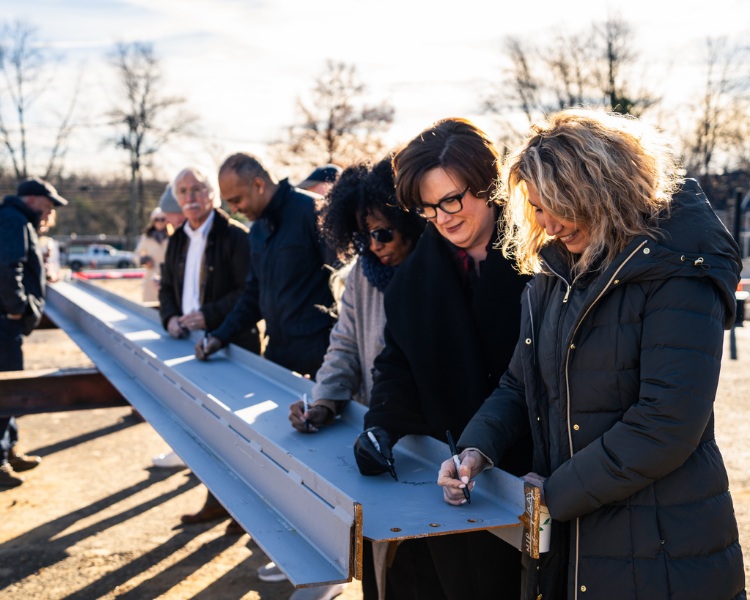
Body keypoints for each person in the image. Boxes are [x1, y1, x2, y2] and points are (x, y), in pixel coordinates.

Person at [439, 109, 746, 600]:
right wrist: (475, 449)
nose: (548, 224)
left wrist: (554, 495)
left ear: (604, 190)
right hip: (573, 542)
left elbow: (667, 422)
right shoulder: (552, 276)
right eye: (537, 208)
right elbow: (519, 385)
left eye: (558, 205)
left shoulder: (678, 272)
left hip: (663, 548)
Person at [354, 118, 531, 600]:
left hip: (529, 478)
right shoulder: (412, 280)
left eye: (452, 200)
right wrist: (382, 426)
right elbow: (397, 364)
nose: (443, 217)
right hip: (451, 479)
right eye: (428, 208)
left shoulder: (543, 261)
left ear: (489, 185)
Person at [283, 158, 426, 600]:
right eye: (362, 237)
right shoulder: (364, 273)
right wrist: (323, 401)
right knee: (378, 573)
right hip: (376, 436)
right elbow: (344, 345)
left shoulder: (434, 272)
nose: (374, 245)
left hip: (426, 445)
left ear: (410, 221)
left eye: (382, 232)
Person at [159, 166, 260, 529]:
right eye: (183, 190)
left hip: (230, 348)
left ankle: (244, 508)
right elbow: (166, 290)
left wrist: (207, 316)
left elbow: (249, 293)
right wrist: (169, 318)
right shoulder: (176, 239)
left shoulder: (236, 237)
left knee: (235, 434)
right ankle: (220, 501)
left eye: (197, 189)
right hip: (188, 347)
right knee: (202, 432)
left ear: (212, 194)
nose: (190, 197)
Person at [196, 153, 335, 378]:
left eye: (236, 200)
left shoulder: (315, 212)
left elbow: (344, 291)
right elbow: (253, 296)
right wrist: (219, 336)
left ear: (258, 185)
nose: (233, 210)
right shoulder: (258, 230)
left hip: (319, 363)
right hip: (276, 360)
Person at [0, 177, 67, 487]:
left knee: (9, 389)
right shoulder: (14, 220)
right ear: (32, 199)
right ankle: (0, 463)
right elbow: (7, 266)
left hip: (7, 321)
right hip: (4, 322)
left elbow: (22, 265)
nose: (50, 210)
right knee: (6, 390)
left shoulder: (16, 220)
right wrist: (17, 307)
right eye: (48, 203)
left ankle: (8, 448)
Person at [134, 207, 170, 303]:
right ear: (153, 221)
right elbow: (135, 256)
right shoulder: (146, 238)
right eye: (156, 219)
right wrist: (144, 260)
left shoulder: (172, 236)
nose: (160, 222)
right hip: (151, 278)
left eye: (162, 219)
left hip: (168, 277)